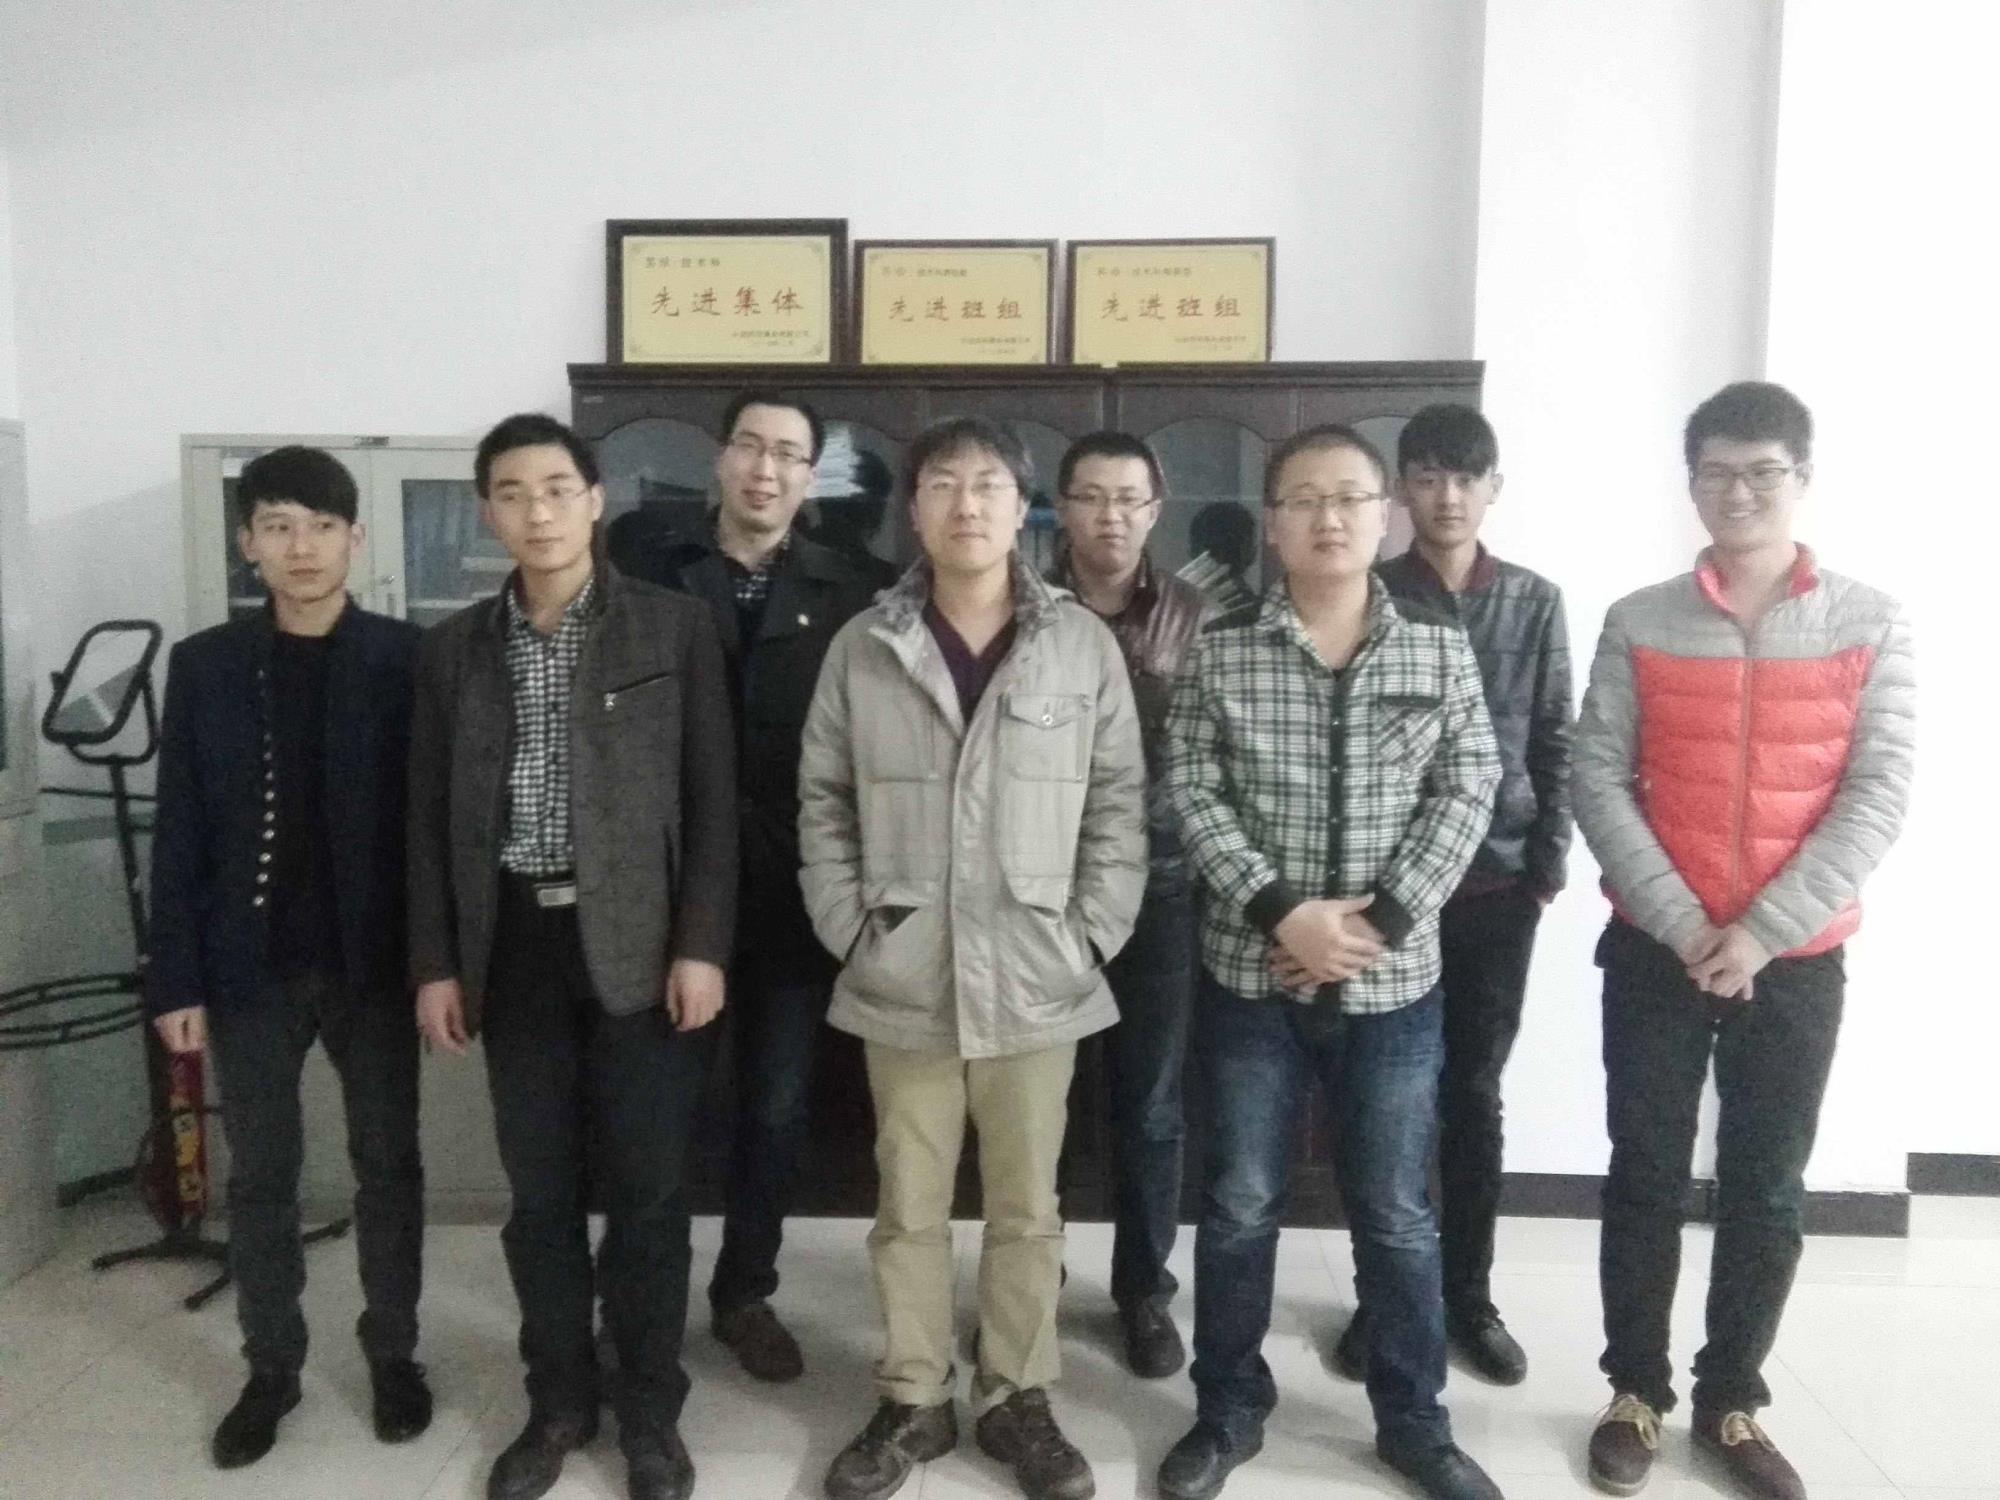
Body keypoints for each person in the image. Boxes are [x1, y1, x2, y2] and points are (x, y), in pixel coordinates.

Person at [1575, 382, 1914, 1500]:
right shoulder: (1640, 618)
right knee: (1643, 1174)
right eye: (1717, 472)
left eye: (1762, 471)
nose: (1739, 491)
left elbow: (1876, 793)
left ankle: (1731, 1401)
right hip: (1656, 950)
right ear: (1691, 485)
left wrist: (1762, 932)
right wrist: (1686, 925)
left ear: (1800, 480)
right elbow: (1596, 776)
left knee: (1766, 1186)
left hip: (1796, 958)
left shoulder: (1869, 621)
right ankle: (1633, 1391)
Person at [800, 417, 1146, 1500]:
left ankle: (1016, 1394)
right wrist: (855, 927)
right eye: (943, 485)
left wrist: (1089, 932)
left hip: (1039, 972)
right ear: (914, 511)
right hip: (904, 970)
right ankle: (913, 1394)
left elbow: (1119, 805)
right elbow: (822, 800)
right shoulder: (864, 645)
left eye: (989, 484)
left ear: (1021, 505)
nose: (966, 504)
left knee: (1026, 1207)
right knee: (907, 1202)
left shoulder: (1077, 644)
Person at [1160, 425, 1507, 1500]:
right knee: (1237, 1206)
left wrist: (1377, 923)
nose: (1328, 518)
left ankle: (1413, 1423)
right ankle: (1227, 1409)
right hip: (1250, 976)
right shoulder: (1222, 648)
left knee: (1396, 1213)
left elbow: (1469, 788)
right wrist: (1283, 913)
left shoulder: (1436, 649)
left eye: (1349, 497)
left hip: (1393, 986)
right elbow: (1191, 788)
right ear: (1272, 523)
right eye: (1304, 499)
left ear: (1383, 516)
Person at [407, 413, 736, 1500]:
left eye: (556, 488)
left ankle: (649, 1410)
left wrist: (701, 945)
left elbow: (712, 799)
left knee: (647, 1196)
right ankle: (557, 1399)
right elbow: (425, 821)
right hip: (513, 947)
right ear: (487, 513)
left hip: (642, 948)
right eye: (512, 493)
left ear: (595, 500)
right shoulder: (453, 649)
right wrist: (436, 963)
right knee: (539, 1195)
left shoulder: (674, 628)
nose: (537, 512)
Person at [149, 446, 430, 1470]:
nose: (300, 547)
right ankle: (271, 1367)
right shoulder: (206, 666)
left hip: (374, 968)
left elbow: (435, 826)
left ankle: (393, 1354)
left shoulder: (409, 658)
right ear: (247, 543)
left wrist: (440, 965)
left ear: (357, 538)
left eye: (320, 526)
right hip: (248, 969)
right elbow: (180, 829)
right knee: (263, 1175)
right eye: (277, 525)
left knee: (388, 1166)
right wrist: (174, 978)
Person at [607, 390, 888, 1382]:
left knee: (773, 1111)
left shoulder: (855, 590)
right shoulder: (643, 567)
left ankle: (743, 1292)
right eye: (750, 448)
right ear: (721, 458)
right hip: (661, 888)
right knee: (653, 1114)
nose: (766, 470)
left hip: (789, 895)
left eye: (788, 455)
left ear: (811, 477)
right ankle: (637, 1303)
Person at [1337, 404, 1572, 1386]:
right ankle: (1383, 1299)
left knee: (1471, 1094)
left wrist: (1544, 864)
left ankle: (1468, 1296)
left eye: (1465, 479)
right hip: (1387, 892)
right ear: (1401, 489)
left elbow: (1555, 737)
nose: (1446, 497)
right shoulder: (1368, 592)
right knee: (1384, 1101)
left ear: (1492, 489)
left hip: (1492, 889)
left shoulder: (1531, 601)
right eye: (1428, 477)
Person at [1048, 431, 1208, 1377]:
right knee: (1043, 1101)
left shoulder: (1195, 616)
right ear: (1063, 507)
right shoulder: (1022, 605)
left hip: (1162, 886)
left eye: (1129, 499)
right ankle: (1032, 1282)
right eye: (1092, 496)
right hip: (1042, 890)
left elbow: (1213, 754)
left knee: (1150, 1104)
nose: (1111, 516)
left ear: (1155, 509)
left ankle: (1144, 1291)